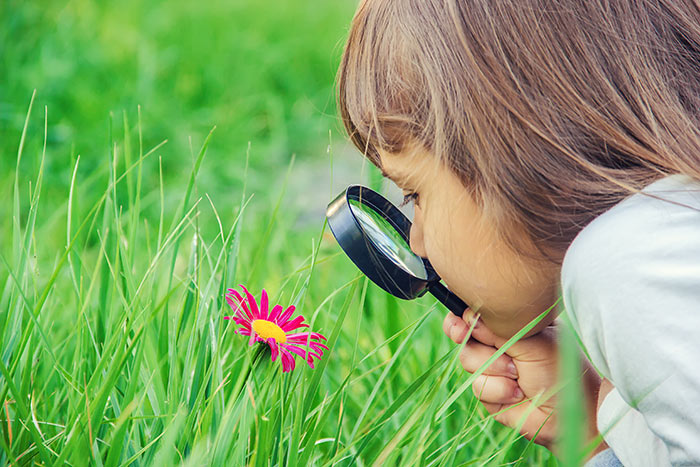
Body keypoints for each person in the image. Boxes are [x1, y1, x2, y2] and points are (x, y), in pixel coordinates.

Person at [336, 1, 700, 465]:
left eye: (415, 195)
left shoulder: (624, 262)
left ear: (506, 158)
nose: (417, 241)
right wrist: (593, 428)